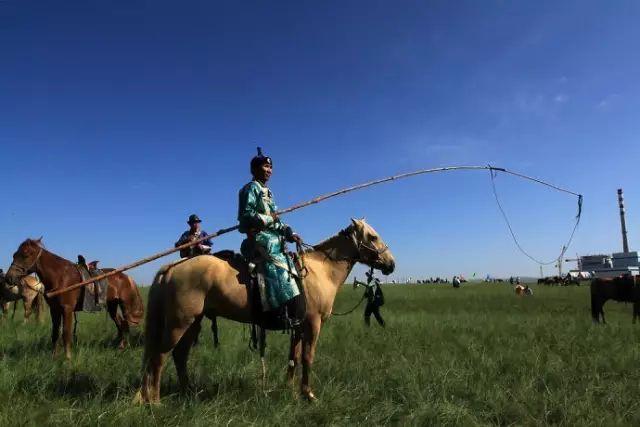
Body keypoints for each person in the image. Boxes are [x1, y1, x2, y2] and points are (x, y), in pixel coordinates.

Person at [238, 148, 304, 328]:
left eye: (270, 167)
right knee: (275, 255)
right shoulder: (249, 189)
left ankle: (291, 306)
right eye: (265, 166)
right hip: (257, 237)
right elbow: (246, 215)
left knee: (286, 252)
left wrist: (290, 233)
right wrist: (269, 219)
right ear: (254, 169)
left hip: (272, 235)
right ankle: (275, 311)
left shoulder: (269, 192)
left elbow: (277, 220)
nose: (269, 170)